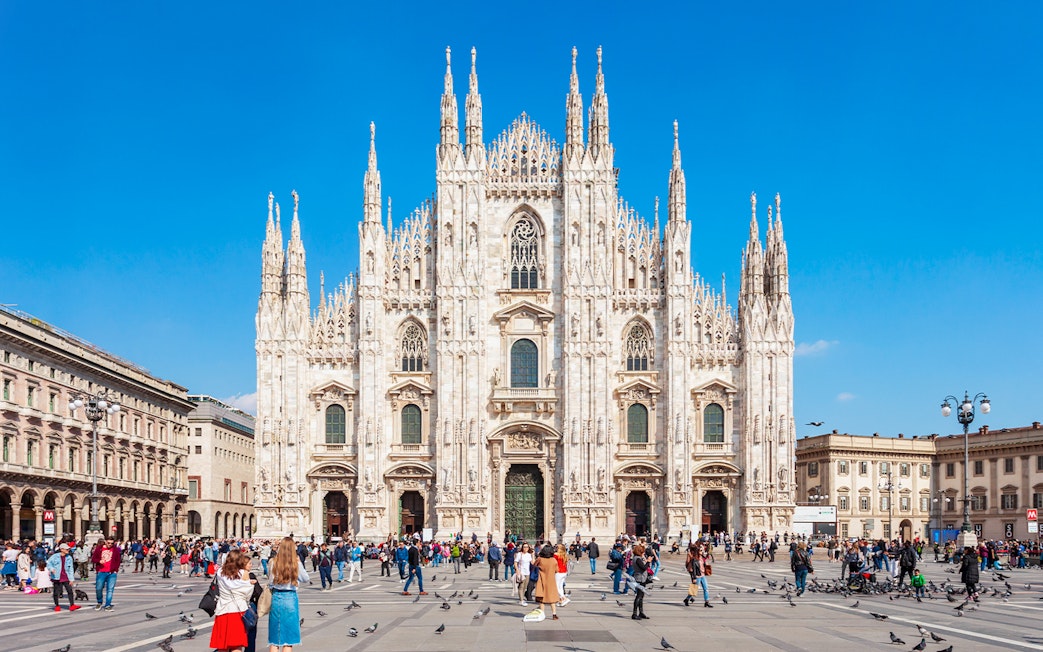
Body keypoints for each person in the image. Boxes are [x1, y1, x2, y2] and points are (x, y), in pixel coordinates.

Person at [209, 550, 255, 652]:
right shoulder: (243, 573)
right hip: (238, 611)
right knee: (237, 645)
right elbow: (247, 595)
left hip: (223, 610)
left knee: (222, 646)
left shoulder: (220, 572)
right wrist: (250, 584)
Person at [268, 537, 309, 652]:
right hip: (290, 598)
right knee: (288, 640)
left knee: (275, 639)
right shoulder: (295, 562)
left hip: (276, 598)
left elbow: (270, 582)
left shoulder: (273, 562)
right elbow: (306, 578)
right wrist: (299, 564)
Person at [46, 543, 80, 612]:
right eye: (66, 549)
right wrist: (51, 569)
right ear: (61, 549)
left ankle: (72, 605)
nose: (68, 550)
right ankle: (57, 605)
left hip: (66, 576)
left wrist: (71, 579)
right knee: (56, 592)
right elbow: (49, 563)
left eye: (68, 549)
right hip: (57, 577)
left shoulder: (69, 557)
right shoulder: (55, 556)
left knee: (70, 591)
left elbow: (71, 569)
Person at [92, 536, 122, 611]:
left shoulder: (115, 550)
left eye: (112, 543)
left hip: (112, 573)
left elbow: (118, 560)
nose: (110, 545)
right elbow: (93, 559)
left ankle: (107, 605)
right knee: (98, 588)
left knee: (110, 589)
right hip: (101, 572)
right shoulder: (99, 548)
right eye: (108, 543)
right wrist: (99, 561)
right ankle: (99, 602)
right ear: (105, 541)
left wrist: (116, 570)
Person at [533, 544, 561, 620]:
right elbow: (557, 570)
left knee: (542, 598)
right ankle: (554, 614)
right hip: (551, 580)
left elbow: (534, 565)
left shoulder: (540, 559)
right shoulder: (553, 560)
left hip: (542, 579)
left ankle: (542, 613)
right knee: (552, 598)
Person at [683, 543, 712, 608]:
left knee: (706, 588)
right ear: (697, 551)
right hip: (697, 576)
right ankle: (687, 599)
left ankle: (707, 602)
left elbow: (706, 558)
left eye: (702, 550)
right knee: (694, 589)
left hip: (703, 575)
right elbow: (694, 570)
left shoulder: (702, 557)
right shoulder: (694, 559)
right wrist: (694, 577)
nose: (702, 552)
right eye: (701, 551)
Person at [515, 542, 534, 607]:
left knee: (525, 587)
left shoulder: (529, 555)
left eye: (527, 547)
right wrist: (517, 570)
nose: (526, 548)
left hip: (527, 572)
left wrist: (533, 555)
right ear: (522, 548)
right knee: (521, 586)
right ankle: (521, 600)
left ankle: (521, 598)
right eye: (524, 547)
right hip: (521, 572)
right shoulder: (519, 554)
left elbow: (533, 563)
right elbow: (515, 563)